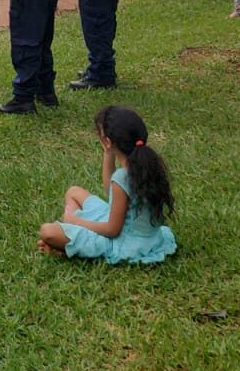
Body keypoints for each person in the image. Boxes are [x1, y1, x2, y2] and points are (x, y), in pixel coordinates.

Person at [38, 106, 177, 264]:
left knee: (47, 231)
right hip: (147, 236)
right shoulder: (148, 165)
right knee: (73, 192)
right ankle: (70, 234)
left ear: (108, 141)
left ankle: (69, 237)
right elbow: (112, 193)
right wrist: (107, 153)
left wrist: (74, 222)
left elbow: (112, 230)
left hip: (123, 243)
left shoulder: (123, 177)